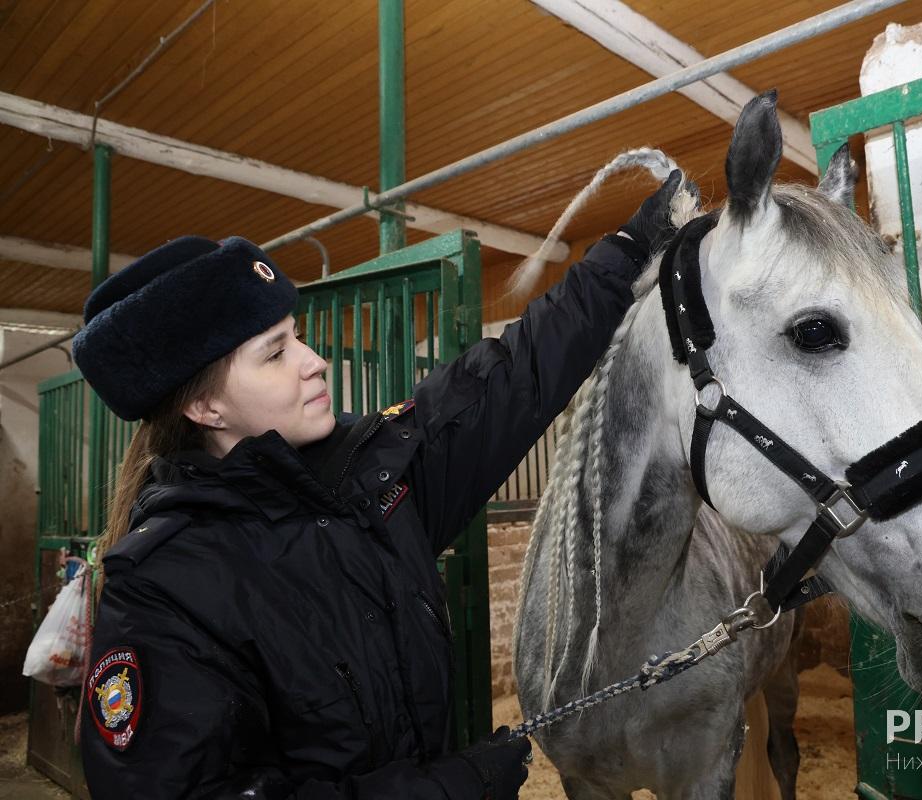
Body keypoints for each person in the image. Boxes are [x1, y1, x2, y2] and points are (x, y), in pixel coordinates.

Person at [74, 171, 683, 799]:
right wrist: (445, 790)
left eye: (298, 336)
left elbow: (512, 375)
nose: (315, 361)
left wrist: (626, 250)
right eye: (275, 353)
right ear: (204, 409)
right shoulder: (162, 591)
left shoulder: (367, 479)